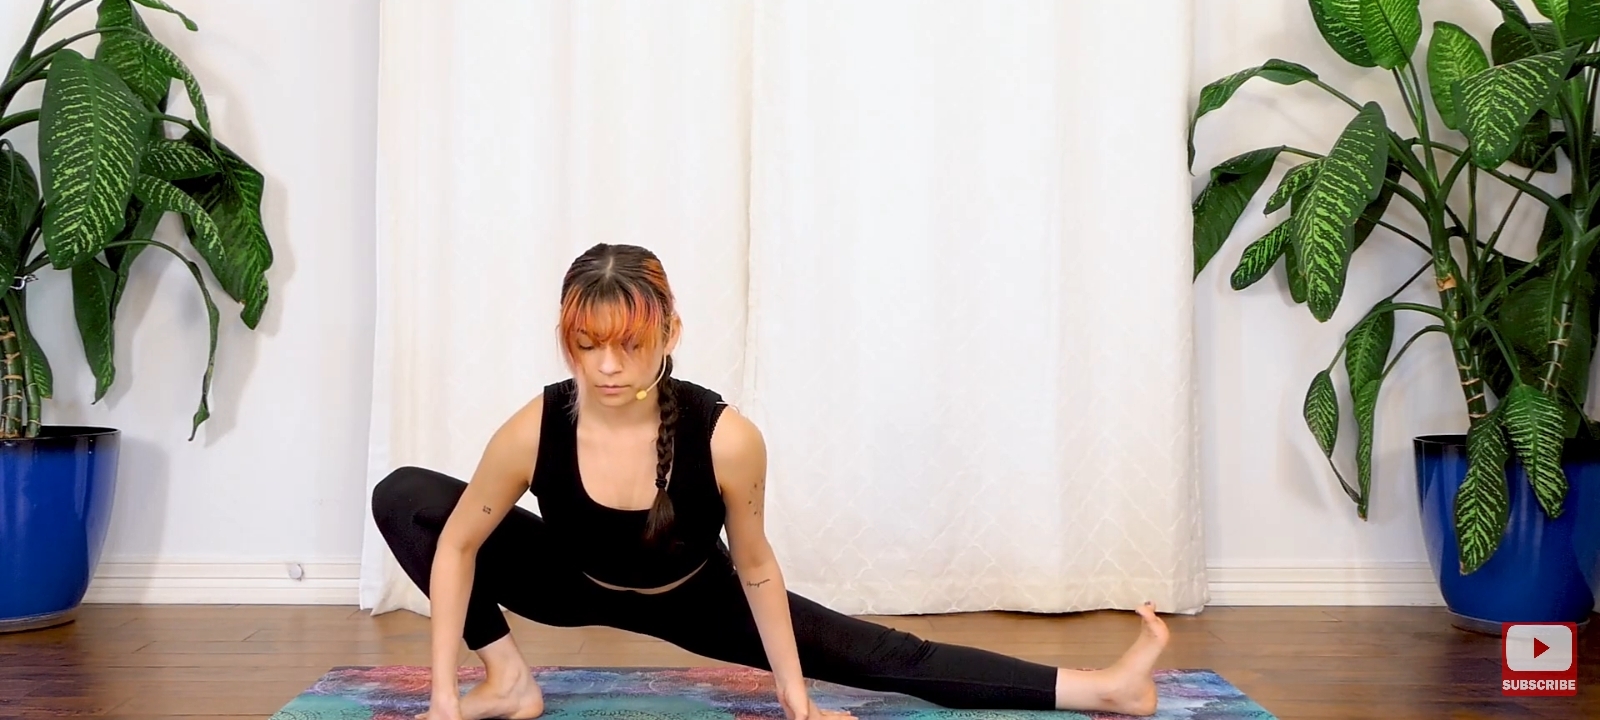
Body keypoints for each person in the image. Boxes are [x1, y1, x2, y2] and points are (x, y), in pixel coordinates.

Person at [371, 243, 1170, 720]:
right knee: (406, 496)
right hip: (569, 580)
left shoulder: (727, 438)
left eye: (628, 343)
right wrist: (445, 695)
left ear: (670, 331)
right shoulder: (535, 426)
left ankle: (1105, 689)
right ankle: (509, 683)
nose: (607, 366)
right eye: (587, 344)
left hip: (695, 595)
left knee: (888, 655)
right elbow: (459, 544)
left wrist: (794, 694)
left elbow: (754, 566)